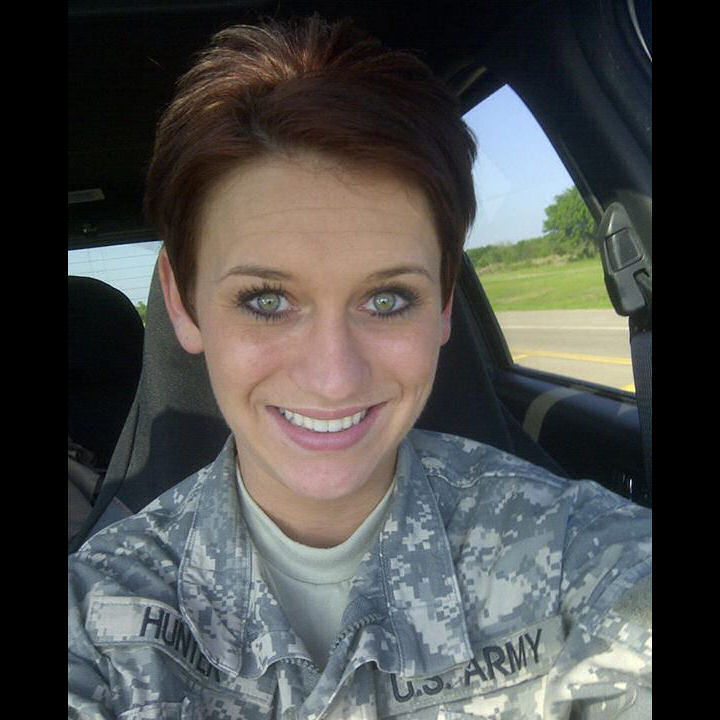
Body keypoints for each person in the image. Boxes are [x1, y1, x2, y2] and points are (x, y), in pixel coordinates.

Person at [68, 15, 651, 719]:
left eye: (387, 299)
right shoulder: (94, 616)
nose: (334, 377)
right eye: (266, 300)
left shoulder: (575, 552)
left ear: (443, 306)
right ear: (182, 304)